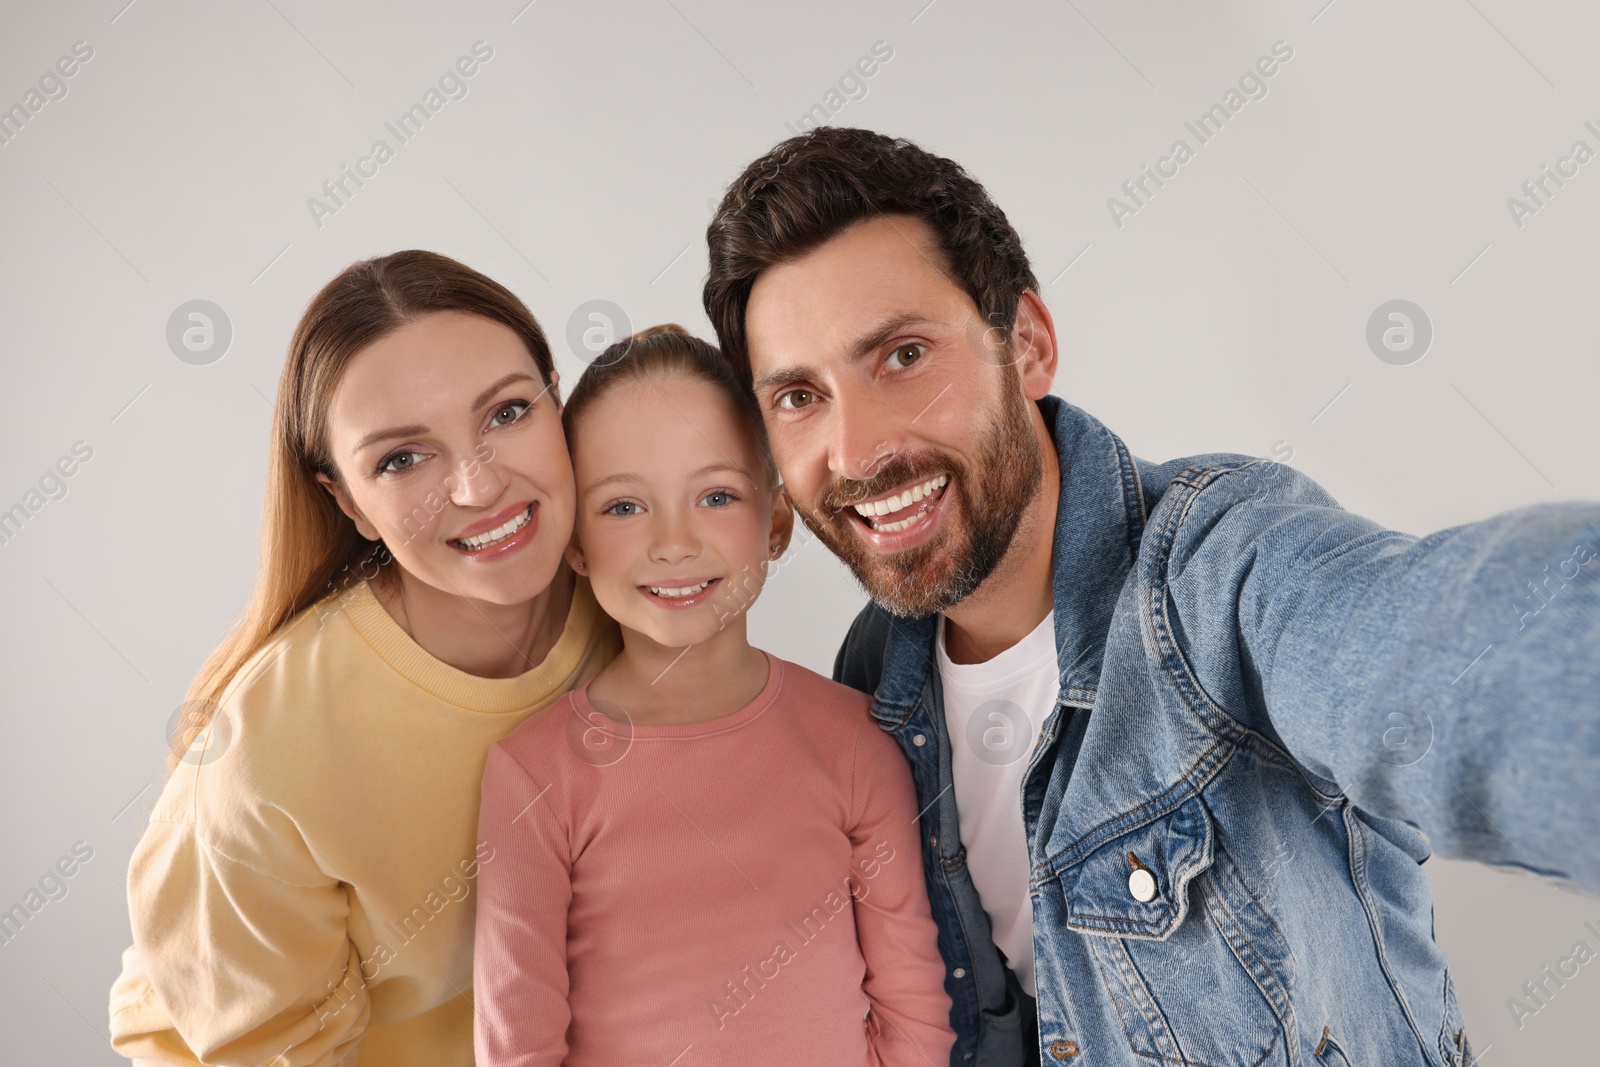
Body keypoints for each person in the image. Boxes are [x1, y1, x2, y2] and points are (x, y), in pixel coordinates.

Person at [701, 127, 1600, 1066]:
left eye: (902, 356)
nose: (856, 450)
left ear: (1028, 345)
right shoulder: (875, 677)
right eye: (799, 397)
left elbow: (1444, 659)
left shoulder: (1223, 574)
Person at [107, 250, 621, 1065]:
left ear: (557, 398)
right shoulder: (272, 748)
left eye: (507, 413)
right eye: (401, 459)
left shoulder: (635, 597)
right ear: (348, 501)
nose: (477, 486)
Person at [472, 325, 956, 1066]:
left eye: (717, 495)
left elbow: (914, 1011)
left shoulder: (856, 742)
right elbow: (518, 1044)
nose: (673, 541)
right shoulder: (534, 774)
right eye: (624, 507)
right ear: (574, 541)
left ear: (776, 521)